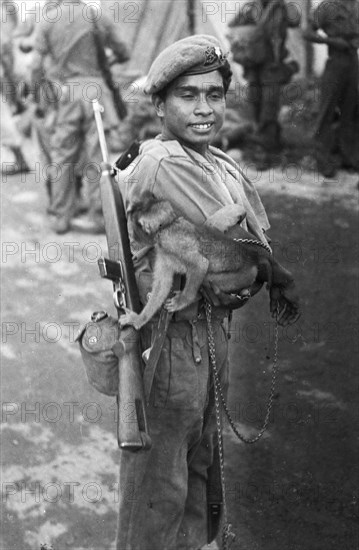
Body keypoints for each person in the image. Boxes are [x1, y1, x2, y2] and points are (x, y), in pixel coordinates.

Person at [109, 35, 300, 550]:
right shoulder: (167, 164)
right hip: (174, 345)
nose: (204, 108)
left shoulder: (213, 160)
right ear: (159, 104)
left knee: (199, 469)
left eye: (214, 95)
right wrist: (254, 270)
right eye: (187, 96)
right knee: (160, 488)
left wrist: (252, 266)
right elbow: (239, 267)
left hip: (207, 338)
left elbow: (252, 247)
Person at [30, 0, 129, 234]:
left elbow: (35, 66)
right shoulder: (96, 17)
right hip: (96, 92)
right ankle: (98, 216)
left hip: (67, 93)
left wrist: (39, 98)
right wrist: (98, 67)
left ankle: (61, 216)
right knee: (97, 155)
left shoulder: (48, 20)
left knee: (62, 154)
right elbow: (123, 52)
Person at [227, 0, 301, 168]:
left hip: (272, 67)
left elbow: (296, 21)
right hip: (253, 66)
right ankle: (264, 147)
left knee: (269, 108)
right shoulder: (252, 7)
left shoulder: (282, 7)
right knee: (256, 107)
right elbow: (233, 26)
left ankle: (265, 154)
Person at [303, 0, 359, 178]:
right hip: (335, 62)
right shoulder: (327, 7)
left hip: (353, 62)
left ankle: (349, 157)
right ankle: (322, 159)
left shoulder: (356, 5)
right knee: (325, 113)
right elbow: (307, 33)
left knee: (351, 113)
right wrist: (332, 40)